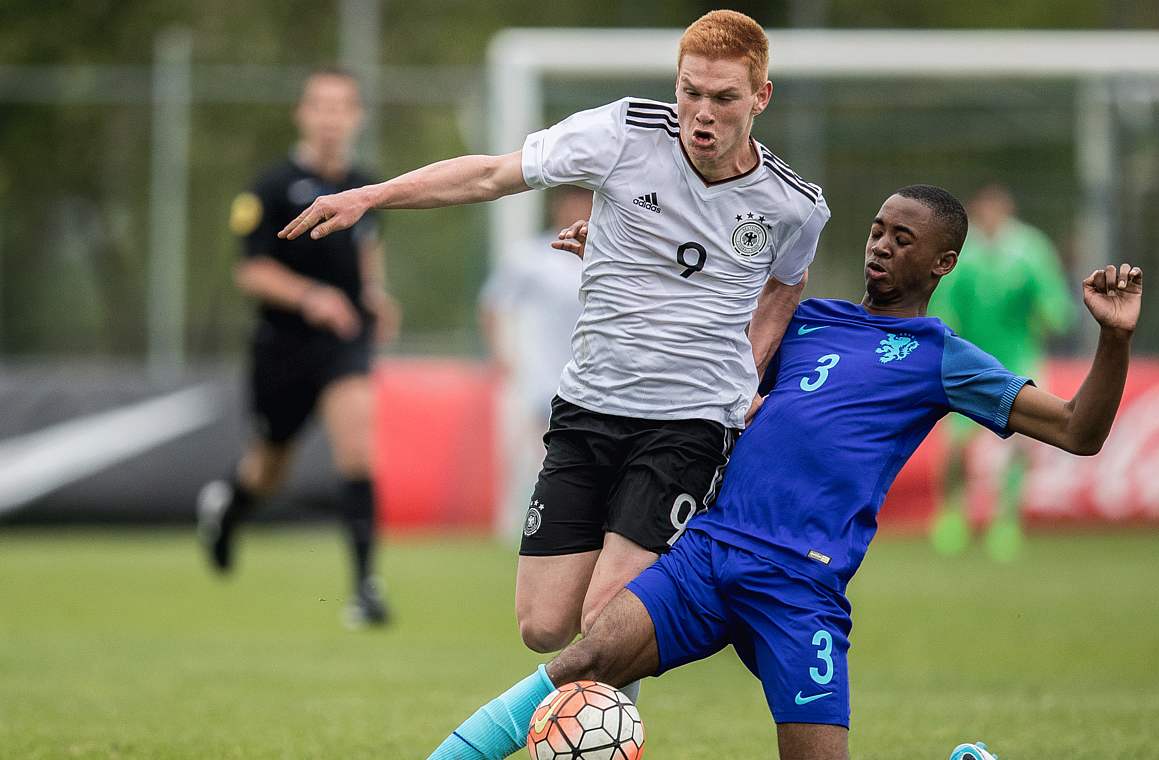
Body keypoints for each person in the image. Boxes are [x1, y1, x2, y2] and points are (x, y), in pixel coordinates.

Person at [426, 185, 1142, 760]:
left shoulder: (939, 355)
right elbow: (693, 325)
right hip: (708, 554)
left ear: (942, 263)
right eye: (877, 230)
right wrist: (616, 261)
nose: (881, 247)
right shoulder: (806, 320)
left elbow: (1079, 430)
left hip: (800, 586)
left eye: (903, 239)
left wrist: (1113, 337)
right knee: (584, 659)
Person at [279, 7, 829, 683]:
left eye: (723, 98)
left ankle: (599, 731)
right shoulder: (623, 132)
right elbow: (490, 175)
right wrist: (371, 195)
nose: (701, 113)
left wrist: (747, 376)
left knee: (606, 620)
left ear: (760, 97)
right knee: (542, 626)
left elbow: (784, 284)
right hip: (588, 408)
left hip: (688, 425)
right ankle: (695, 599)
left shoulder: (792, 204)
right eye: (690, 91)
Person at [197, 68, 400, 627]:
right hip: (281, 347)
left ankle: (366, 591)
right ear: (302, 114)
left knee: (358, 450)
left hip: (343, 343)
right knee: (268, 470)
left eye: (343, 107)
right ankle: (229, 512)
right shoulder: (269, 187)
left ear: (356, 116)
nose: (332, 118)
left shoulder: (363, 184)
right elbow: (251, 271)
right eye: (321, 106)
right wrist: (310, 296)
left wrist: (377, 297)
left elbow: (367, 254)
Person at [928, 182, 1074, 562]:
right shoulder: (964, 251)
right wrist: (944, 331)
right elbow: (943, 298)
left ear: (1007, 212)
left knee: (1022, 442)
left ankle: (1005, 520)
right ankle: (952, 514)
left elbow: (1054, 300)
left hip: (1018, 358)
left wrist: (1051, 312)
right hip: (969, 358)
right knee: (958, 444)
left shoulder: (1030, 248)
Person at [478, 187, 591, 542]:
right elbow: (494, 304)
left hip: (589, 372)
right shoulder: (530, 256)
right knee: (533, 449)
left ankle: (571, 521)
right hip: (540, 370)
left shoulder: (605, 256)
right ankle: (517, 523)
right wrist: (502, 354)